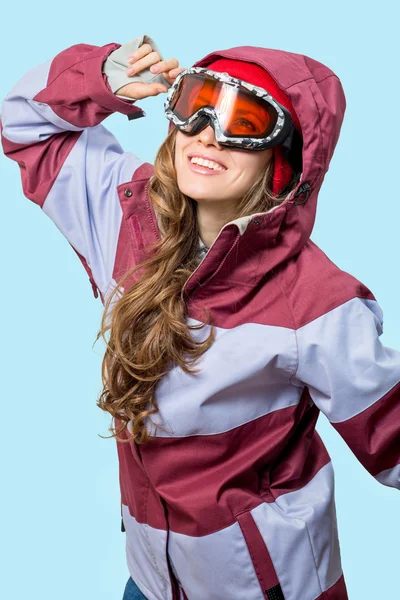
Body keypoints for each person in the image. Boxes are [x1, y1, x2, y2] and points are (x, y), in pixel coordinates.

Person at [1, 33, 399, 600]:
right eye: (197, 103)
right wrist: (102, 78)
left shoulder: (315, 303)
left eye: (247, 120)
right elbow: (22, 126)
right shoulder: (123, 215)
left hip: (262, 587)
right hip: (150, 579)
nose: (209, 133)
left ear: (284, 157)